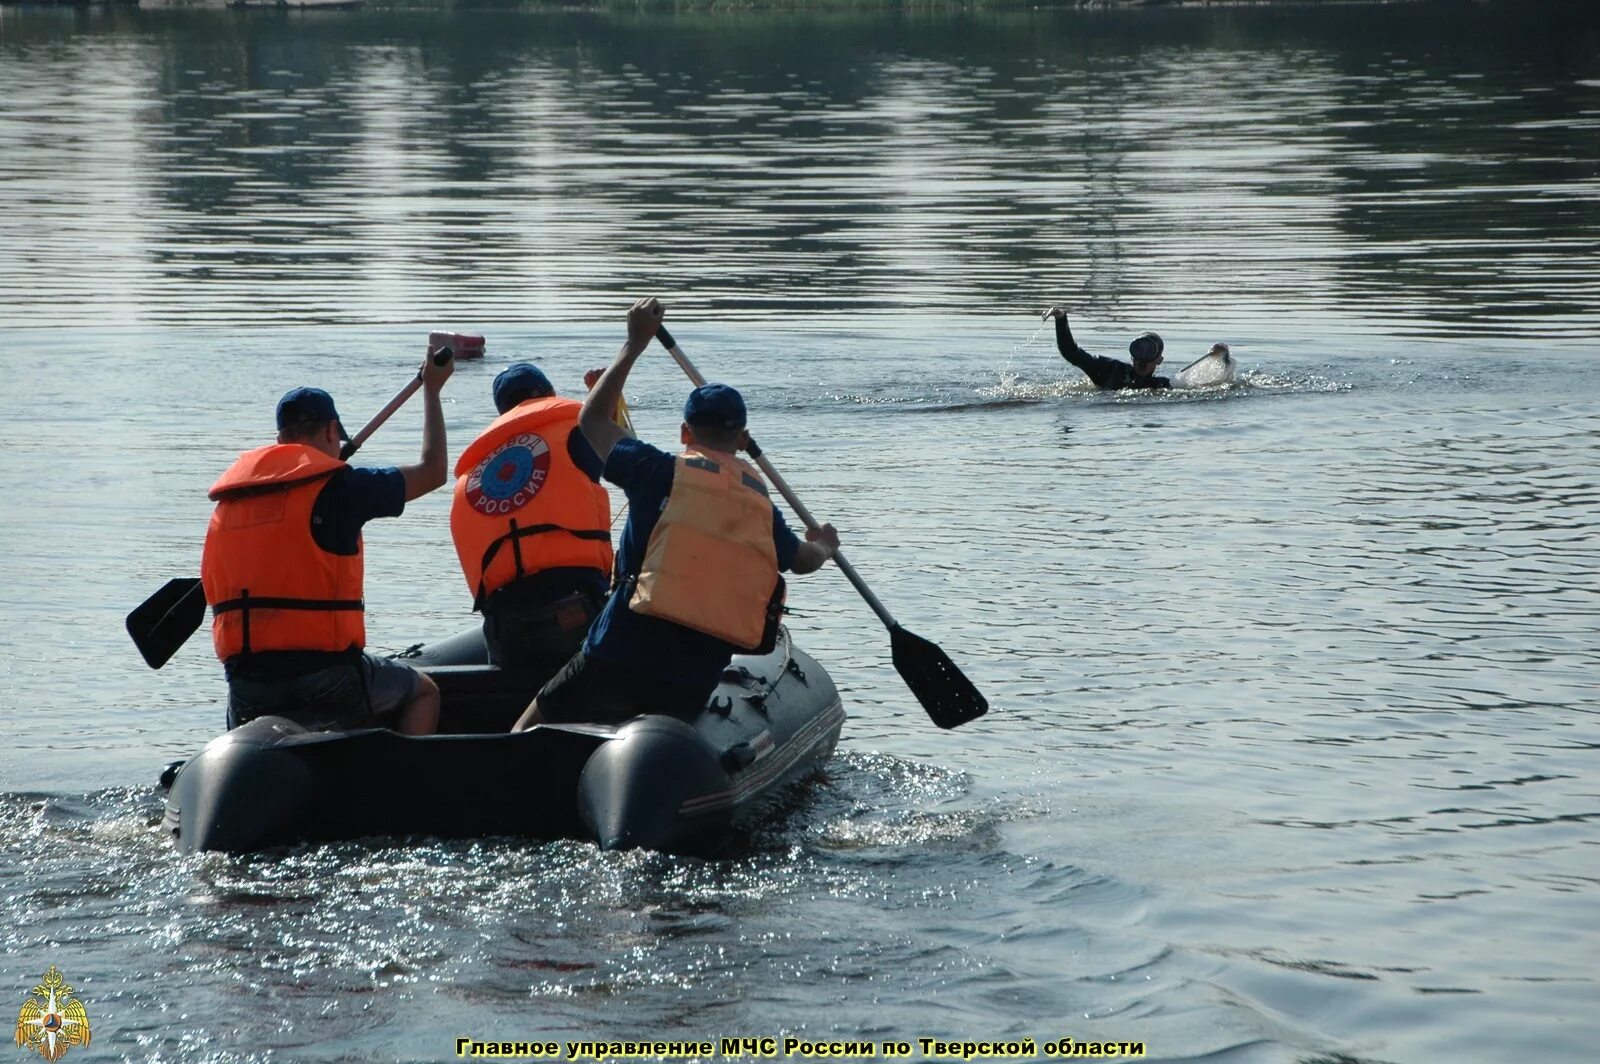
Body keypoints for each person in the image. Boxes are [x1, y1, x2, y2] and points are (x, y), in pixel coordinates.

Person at [511, 297, 841, 732]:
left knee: (525, 730)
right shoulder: (759, 504)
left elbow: (592, 421)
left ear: (685, 432)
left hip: (618, 655)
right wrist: (825, 545)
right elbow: (801, 560)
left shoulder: (655, 471)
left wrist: (634, 344)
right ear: (742, 439)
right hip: (691, 679)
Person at [199, 355, 454, 735]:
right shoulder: (342, 488)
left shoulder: (229, 505)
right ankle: (402, 772)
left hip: (247, 686)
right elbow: (432, 472)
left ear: (280, 441)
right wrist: (432, 390)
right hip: (326, 678)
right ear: (333, 431)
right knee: (424, 691)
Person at [450, 361, 615, 671]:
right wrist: (604, 397)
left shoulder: (471, 474)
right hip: (574, 611)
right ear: (550, 394)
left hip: (505, 628)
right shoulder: (573, 433)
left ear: (502, 413)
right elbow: (629, 456)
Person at [1044, 306, 1171, 391]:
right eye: (1137, 350)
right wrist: (1061, 319)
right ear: (1132, 355)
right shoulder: (1110, 370)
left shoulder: (1163, 385)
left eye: (1149, 352)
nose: (1141, 359)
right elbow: (1071, 352)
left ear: (1159, 360)